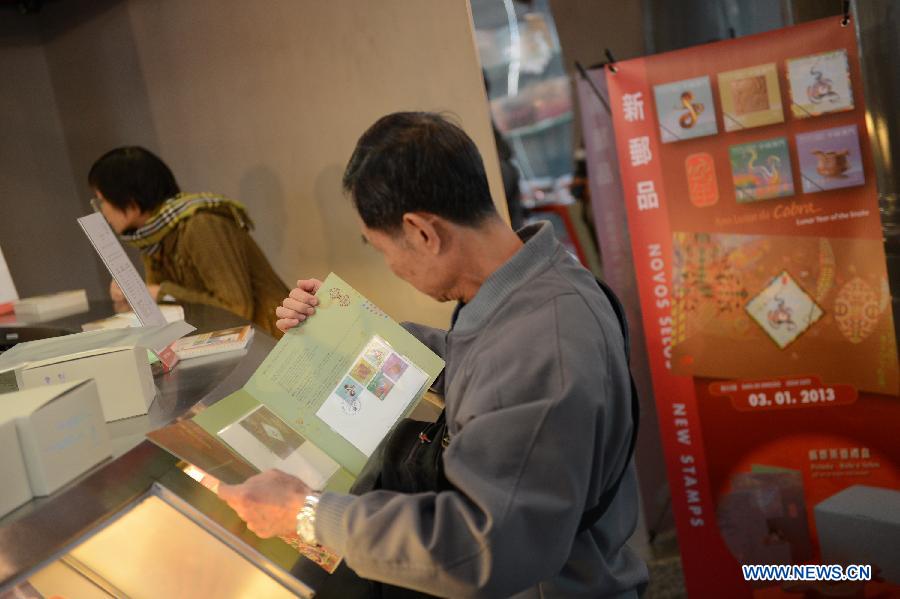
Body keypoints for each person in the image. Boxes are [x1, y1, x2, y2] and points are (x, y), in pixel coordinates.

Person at [218, 113, 648, 597]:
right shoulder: (538, 284)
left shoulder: (540, 344)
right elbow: (478, 361)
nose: (392, 267)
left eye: (383, 249)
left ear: (423, 232)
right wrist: (349, 333)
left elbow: (478, 548)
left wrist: (305, 511)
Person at [88, 146, 288, 337]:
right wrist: (131, 299)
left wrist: (160, 292)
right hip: (235, 339)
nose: (101, 210)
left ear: (129, 199)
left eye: (102, 200)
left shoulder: (200, 225)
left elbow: (237, 308)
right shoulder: (152, 237)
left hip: (273, 339)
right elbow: (164, 308)